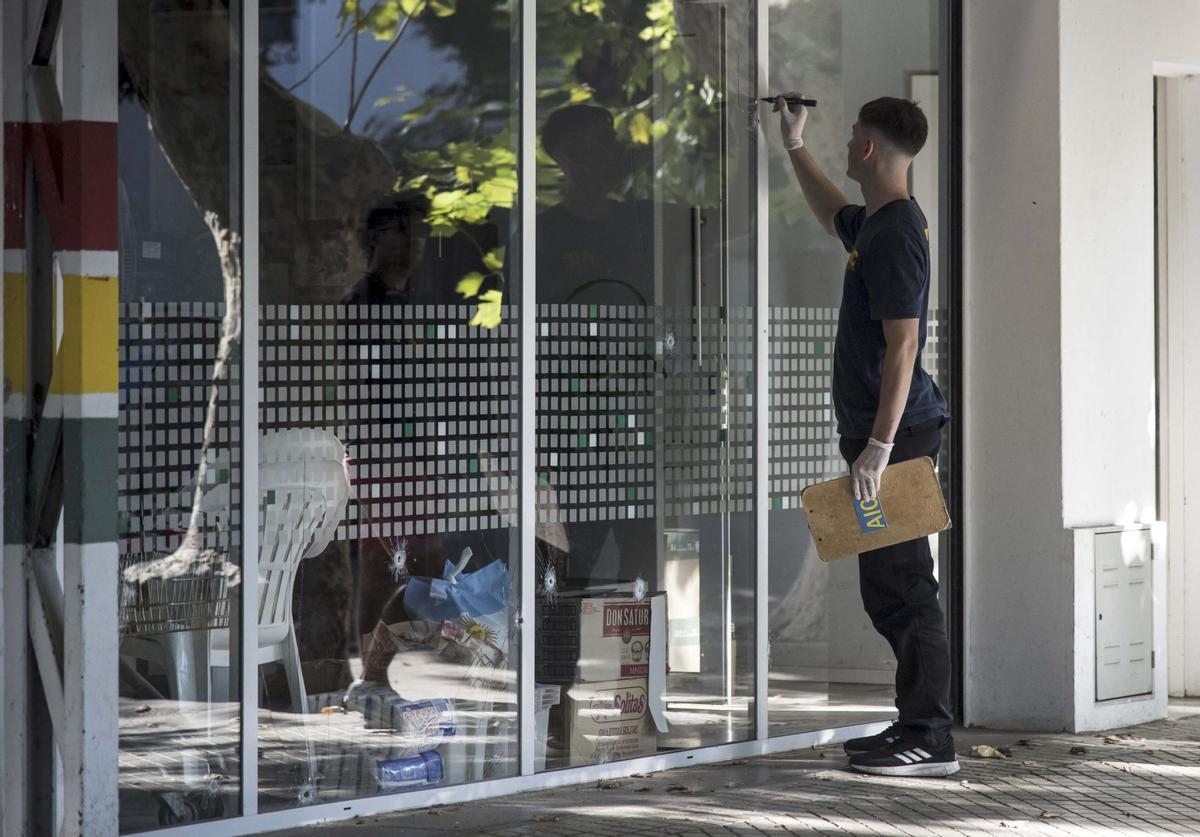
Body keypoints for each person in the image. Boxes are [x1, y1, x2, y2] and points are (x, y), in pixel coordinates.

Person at [775, 93, 956, 777]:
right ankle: (913, 724)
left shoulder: (899, 234)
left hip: (900, 436)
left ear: (871, 149)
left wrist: (879, 449)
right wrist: (793, 146)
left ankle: (930, 737)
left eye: (850, 137)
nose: (847, 146)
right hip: (883, 435)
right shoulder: (876, 224)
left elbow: (904, 345)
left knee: (904, 583)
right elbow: (831, 214)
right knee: (888, 583)